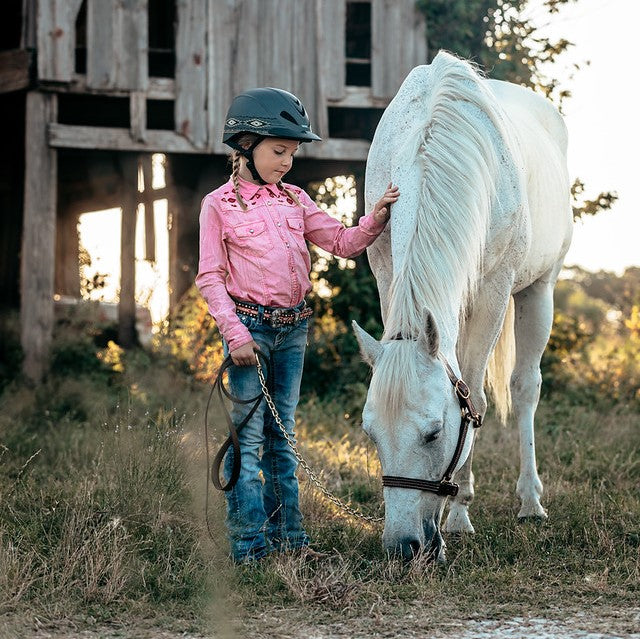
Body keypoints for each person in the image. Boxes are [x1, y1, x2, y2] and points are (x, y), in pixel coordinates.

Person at [196, 87, 399, 563]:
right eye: (278, 151)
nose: (287, 162)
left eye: (292, 153)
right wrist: (235, 333)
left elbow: (343, 242)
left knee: (282, 439)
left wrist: (377, 218)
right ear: (244, 145)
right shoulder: (218, 205)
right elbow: (209, 278)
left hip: (293, 330)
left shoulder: (295, 199)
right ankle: (250, 549)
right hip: (249, 329)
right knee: (247, 442)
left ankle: (293, 543)